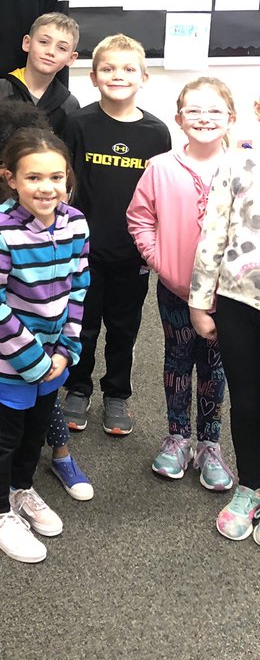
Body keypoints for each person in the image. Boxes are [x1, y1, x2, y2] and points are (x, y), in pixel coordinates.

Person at [0, 101, 94, 502]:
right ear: (12, 179)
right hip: (9, 363)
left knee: (34, 437)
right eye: (34, 177)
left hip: (53, 359)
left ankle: (22, 489)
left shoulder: (75, 223)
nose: (47, 187)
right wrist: (34, 362)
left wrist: (65, 351)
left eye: (56, 176)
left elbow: (78, 287)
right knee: (3, 440)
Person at [127, 76, 235, 490]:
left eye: (214, 110)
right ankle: (177, 436)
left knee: (215, 366)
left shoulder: (243, 167)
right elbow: (140, 218)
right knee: (177, 359)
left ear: (231, 118)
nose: (204, 118)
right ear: (178, 118)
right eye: (194, 110)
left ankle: (210, 443)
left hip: (226, 295)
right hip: (175, 288)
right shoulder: (161, 168)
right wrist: (161, 261)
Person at [61, 34, 171, 437]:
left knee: (124, 326)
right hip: (85, 248)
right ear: (92, 76)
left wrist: (154, 248)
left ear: (143, 76)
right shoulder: (78, 123)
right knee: (83, 322)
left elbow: (162, 194)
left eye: (127, 69)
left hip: (133, 252)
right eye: (107, 68)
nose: (117, 76)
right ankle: (78, 387)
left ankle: (117, 393)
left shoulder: (156, 133)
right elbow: (65, 184)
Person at [189, 91, 260, 542]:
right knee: (248, 400)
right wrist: (199, 300)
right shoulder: (236, 164)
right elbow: (213, 232)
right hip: (239, 301)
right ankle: (251, 485)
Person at [0, 12, 81, 138]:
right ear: (27, 43)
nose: (51, 52)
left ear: (71, 58)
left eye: (62, 48)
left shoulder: (69, 105)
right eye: (44, 42)